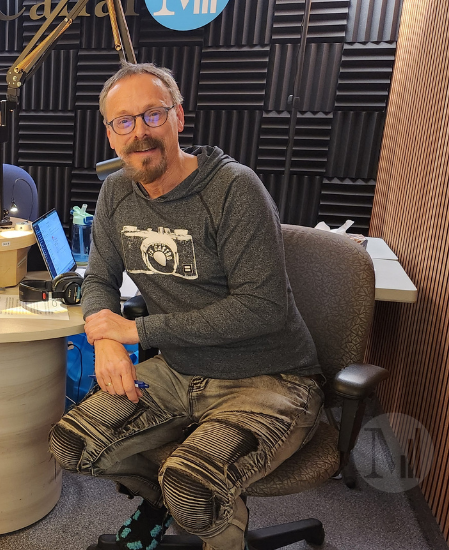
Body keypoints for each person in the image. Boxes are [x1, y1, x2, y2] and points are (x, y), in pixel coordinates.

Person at [48, 63, 324, 550]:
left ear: (179, 116)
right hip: (179, 373)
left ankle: (191, 498)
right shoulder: (116, 192)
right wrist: (106, 338)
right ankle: (162, 500)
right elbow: (98, 278)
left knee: (192, 486)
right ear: (111, 135)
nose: (141, 133)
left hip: (269, 379)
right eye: (125, 121)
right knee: (72, 444)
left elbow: (261, 308)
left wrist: (139, 333)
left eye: (153, 115)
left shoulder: (234, 189)